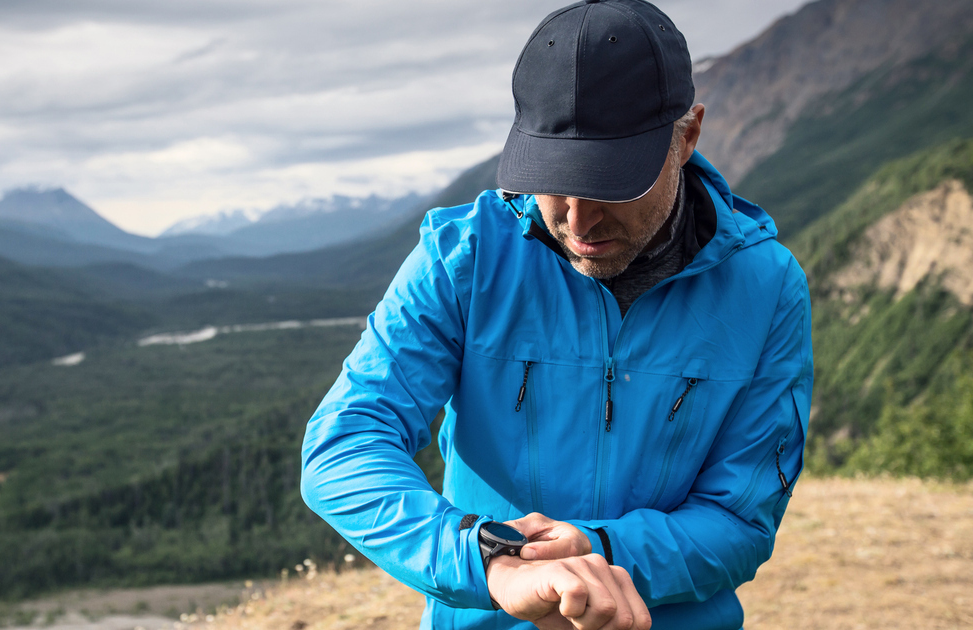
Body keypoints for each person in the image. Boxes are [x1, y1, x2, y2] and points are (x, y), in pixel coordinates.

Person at [300, 1, 812, 629]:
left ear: (688, 136)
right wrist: (489, 560)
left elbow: (740, 519)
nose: (577, 218)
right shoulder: (464, 256)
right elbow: (345, 443)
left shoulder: (767, 286)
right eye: (551, 179)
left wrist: (600, 552)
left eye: (611, 182)